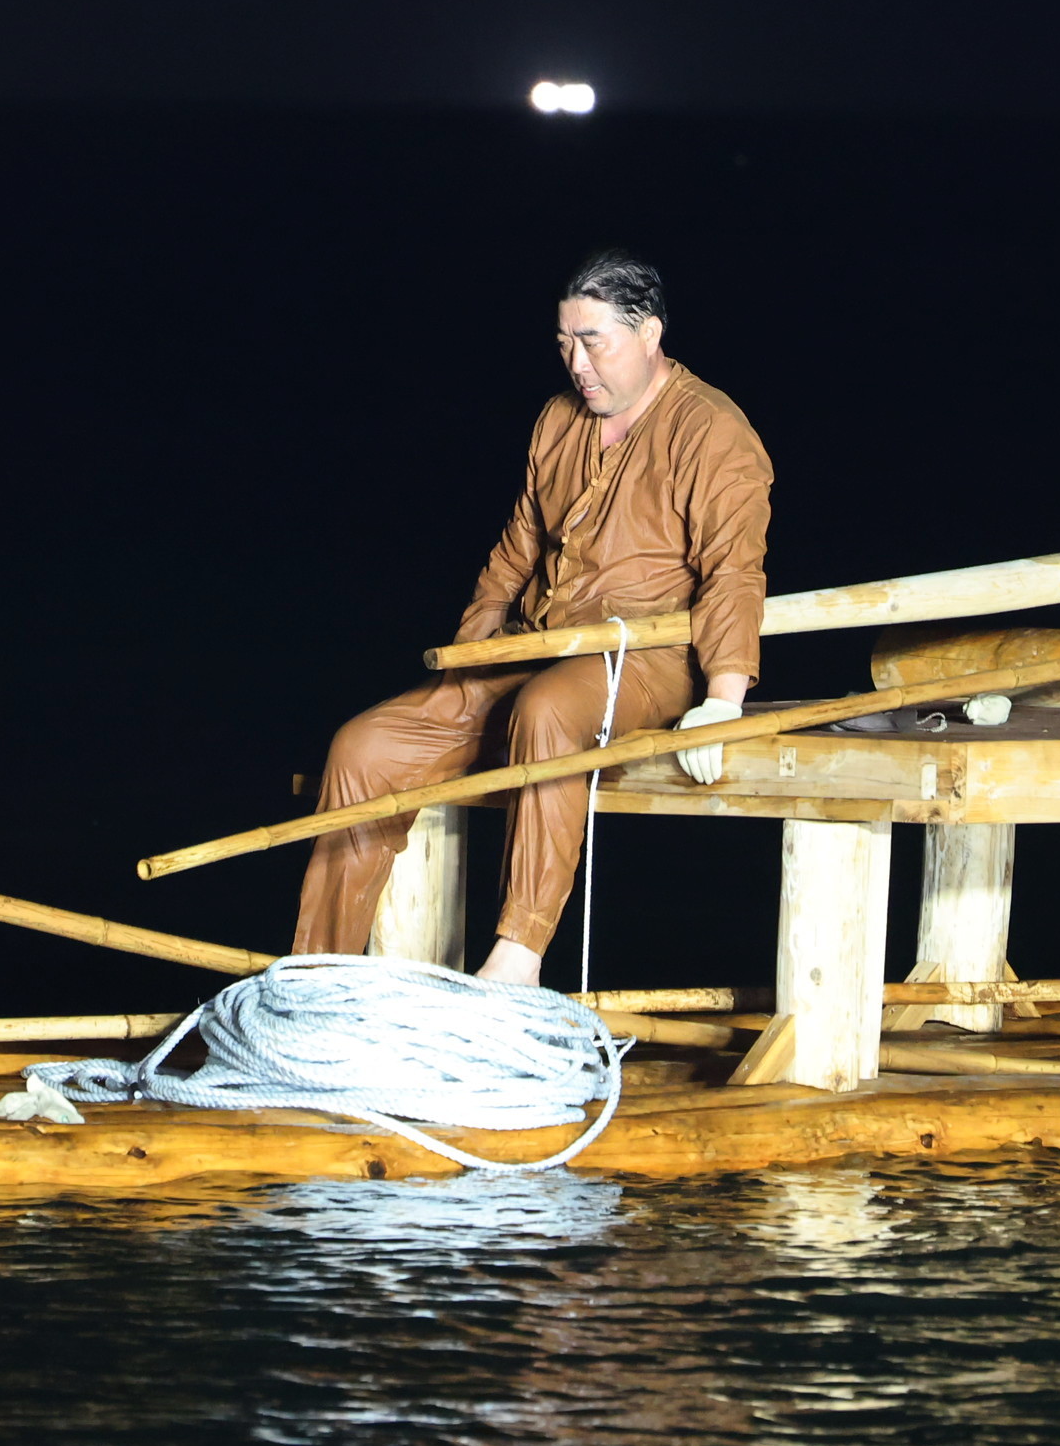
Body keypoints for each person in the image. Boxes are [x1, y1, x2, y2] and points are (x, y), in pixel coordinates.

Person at [292, 248, 773, 984]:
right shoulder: (557, 420)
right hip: (537, 644)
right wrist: (469, 659)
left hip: (642, 659)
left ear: (649, 333)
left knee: (546, 711)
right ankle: (314, 976)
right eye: (563, 343)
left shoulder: (712, 430)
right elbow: (515, 552)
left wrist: (723, 700)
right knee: (364, 747)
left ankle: (517, 956)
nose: (577, 364)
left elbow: (735, 571)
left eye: (593, 342)